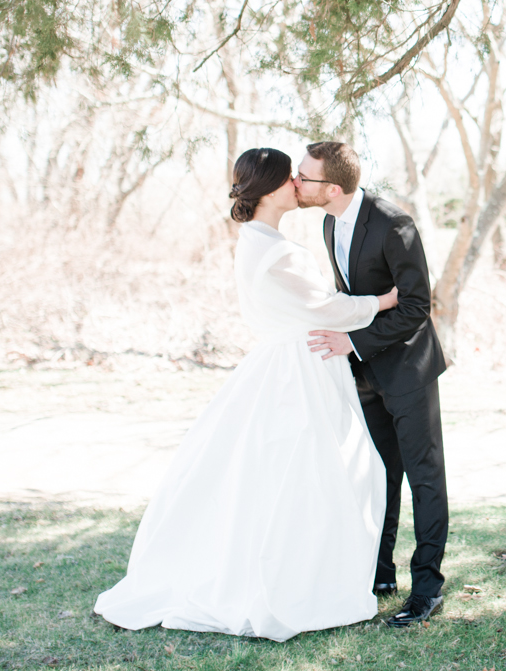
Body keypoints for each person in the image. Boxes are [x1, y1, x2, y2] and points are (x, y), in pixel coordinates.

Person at [94, 148, 398, 641]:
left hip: (299, 363)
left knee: (310, 474)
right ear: (272, 189)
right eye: (292, 178)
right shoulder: (271, 249)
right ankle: (295, 580)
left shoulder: (263, 240)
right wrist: (385, 300)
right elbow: (324, 308)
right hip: (293, 372)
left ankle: (323, 571)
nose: (299, 184)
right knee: (306, 475)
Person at [297, 141, 449, 628]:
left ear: (333, 187)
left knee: (424, 478)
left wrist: (353, 343)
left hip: (408, 370)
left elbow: (416, 305)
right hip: (364, 376)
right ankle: (380, 574)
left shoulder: (393, 224)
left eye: (305, 176)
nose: (296, 182)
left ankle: (426, 588)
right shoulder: (327, 223)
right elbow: (352, 296)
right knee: (378, 476)